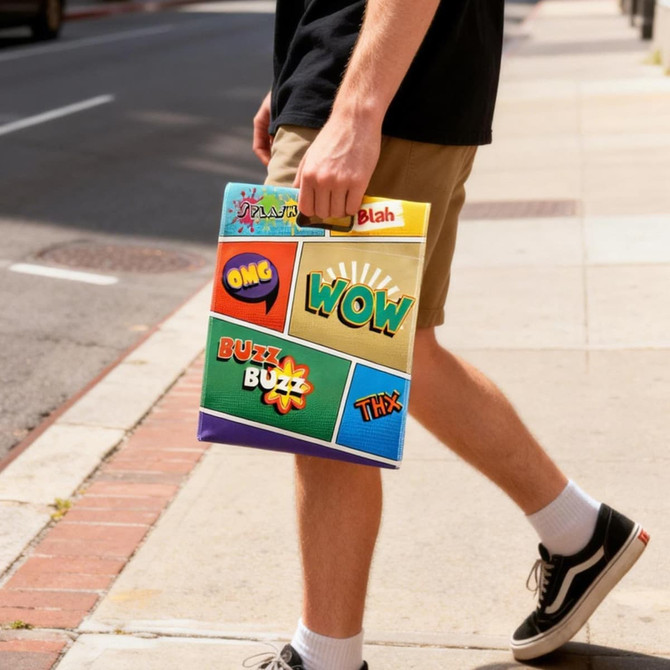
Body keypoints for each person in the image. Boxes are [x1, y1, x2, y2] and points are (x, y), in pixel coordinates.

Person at [248, 1, 649, 668]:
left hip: (385, 90)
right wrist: (301, 74)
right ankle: (579, 531)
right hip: (383, 77)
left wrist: (353, 111)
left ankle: (325, 658)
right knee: (396, 348)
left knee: (322, 378)